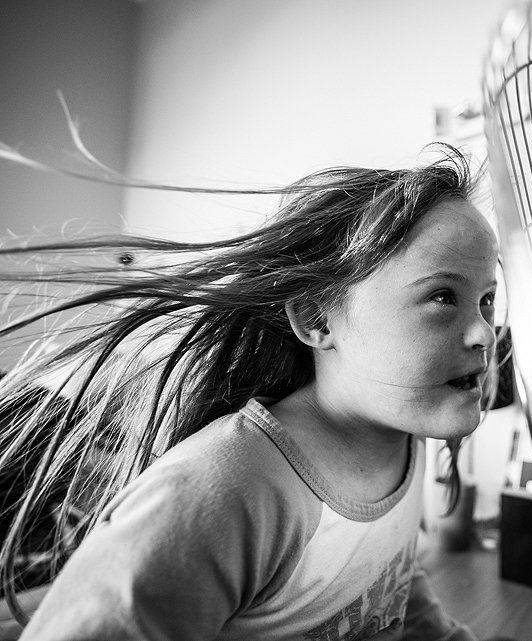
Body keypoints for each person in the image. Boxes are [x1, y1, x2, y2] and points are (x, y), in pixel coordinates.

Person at [0, 145, 499, 640]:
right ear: (317, 319)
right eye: (442, 296)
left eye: (487, 300)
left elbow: (392, 585)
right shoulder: (224, 494)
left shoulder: (403, 440)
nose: (483, 333)